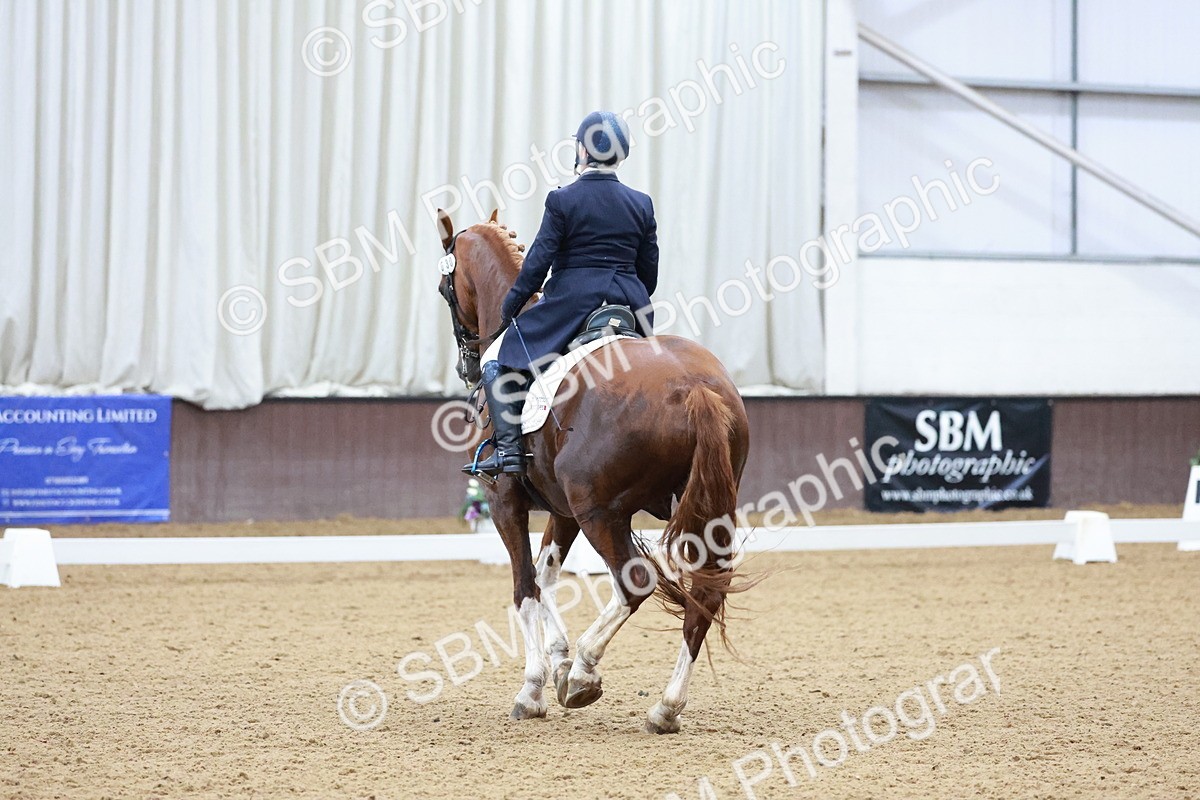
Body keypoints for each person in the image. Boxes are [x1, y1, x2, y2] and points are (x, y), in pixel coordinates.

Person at [464, 110, 659, 478]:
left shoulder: (563, 200)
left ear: (583, 152)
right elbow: (649, 273)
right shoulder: (641, 203)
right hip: (629, 305)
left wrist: (510, 307)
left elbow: (537, 263)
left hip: (572, 306)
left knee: (494, 362)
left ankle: (507, 453)